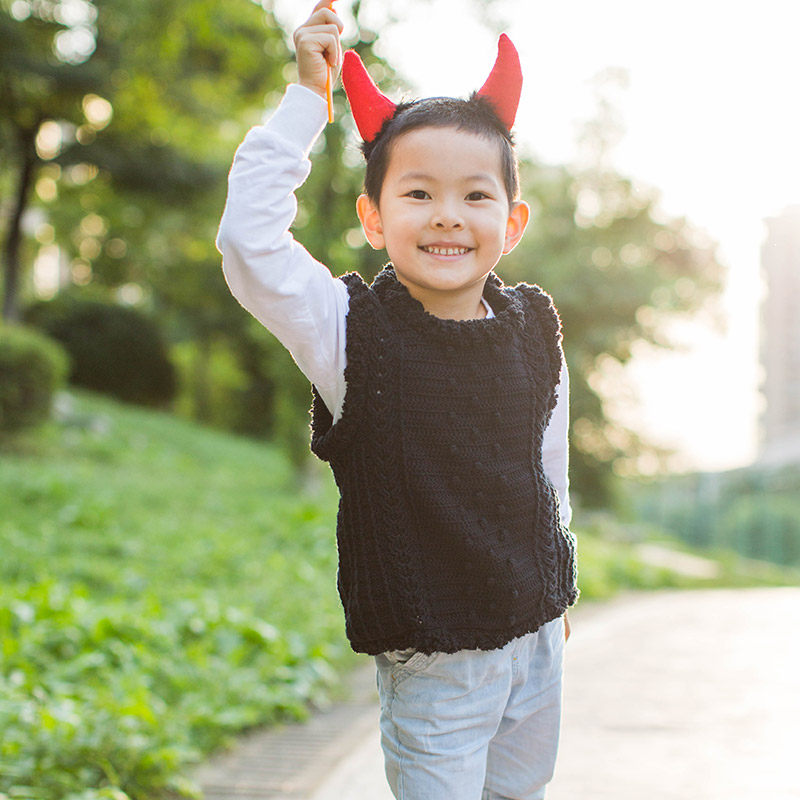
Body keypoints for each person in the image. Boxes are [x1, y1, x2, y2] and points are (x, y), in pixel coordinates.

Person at [216, 2, 578, 797]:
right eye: (418, 193)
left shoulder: (533, 328)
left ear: (512, 221)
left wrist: (559, 587)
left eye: (475, 196)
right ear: (374, 218)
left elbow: (548, 469)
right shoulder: (350, 332)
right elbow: (248, 243)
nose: (448, 214)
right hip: (433, 660)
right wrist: (306, 100)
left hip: (536, 642)